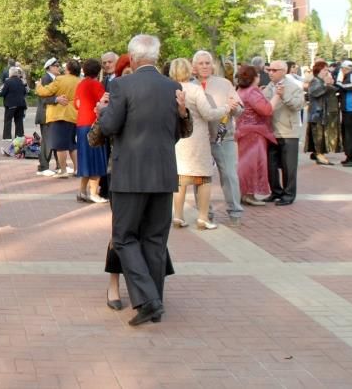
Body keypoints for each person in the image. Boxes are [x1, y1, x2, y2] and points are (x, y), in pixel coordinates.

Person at [95, 34, 188, 326]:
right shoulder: (173, 86)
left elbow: (110, 126)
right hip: (162, 174)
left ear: (132, 58)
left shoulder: (121, 85)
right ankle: (155, 302)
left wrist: (101, 114)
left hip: (130, 175)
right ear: (157, 57)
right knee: (155, 239)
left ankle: (148, 300)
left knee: (123, 237)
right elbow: (181, 130)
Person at [169, 58, 235, 230]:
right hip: (196, 137)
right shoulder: (195, 89)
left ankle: (178, 216)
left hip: (177, 139)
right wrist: (226, 108)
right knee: (204, 178)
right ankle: (203, 218)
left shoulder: (167, 88)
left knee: (180, 179)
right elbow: (209, 114)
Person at [192, 51, 244, 227]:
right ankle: (205, 213)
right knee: (201, 178)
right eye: (201, 63)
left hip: (223, 137)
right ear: (194, 67)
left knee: (229, 175)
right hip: (199, 140)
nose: (205, 66)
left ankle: (235, 211)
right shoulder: (190, 85)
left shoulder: (224, 83)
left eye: (208, 63)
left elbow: (239, 109)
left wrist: (235, 107)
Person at [263, 60, 305, 204]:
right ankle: (276, 191)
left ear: (283, 71)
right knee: (271, 165)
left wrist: (284, 96)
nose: (270, 73)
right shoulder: (268, 87)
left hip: (288, 132)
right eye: (269, 70)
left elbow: (298, 105)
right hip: (271, 132)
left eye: (274, 70)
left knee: (289, 166)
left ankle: (288, 194)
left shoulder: (293, 87)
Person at [235, 65, 275, 206]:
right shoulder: (252, 92)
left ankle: (244, 193)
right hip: (255, 132)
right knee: (253, 164)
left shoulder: (240, 91)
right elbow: (266, 110)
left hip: (243, 130)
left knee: (245, 162)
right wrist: (277, 97)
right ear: (254, 78)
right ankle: (249, 194)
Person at [36, 59, 81, 177]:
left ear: (69, 69)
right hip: (73, 115)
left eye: (60, 66)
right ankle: (76, 169)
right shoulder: (79, 81)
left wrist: (38, 86)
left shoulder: (60, 79)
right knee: (72, 144)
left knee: (60, 145)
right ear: (49, 67)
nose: (59, 67)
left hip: (59, 115)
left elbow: (44, 92)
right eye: (56, 65)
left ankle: (63, 170)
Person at [73, 59, 109, 203]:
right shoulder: (97, 85)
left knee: (85, 159)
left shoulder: (81, 84)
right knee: (96, 158)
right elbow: (104, 103)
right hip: (93, 124)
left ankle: (82, 191)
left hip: (81, 124)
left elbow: (76, 104)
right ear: (98, 71)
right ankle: (94, 193)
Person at [305, 60, 341, 165]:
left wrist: (330, 85)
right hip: (317, 113)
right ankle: (318, 154)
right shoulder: (315, 81)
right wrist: (326, 85)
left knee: (321, 135)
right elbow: (315, 92)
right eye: (325, 69)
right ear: (319, 70)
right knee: (318, 135)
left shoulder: (320, 81)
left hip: (322, 113)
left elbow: (333, 89)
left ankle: (319, 154)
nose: (327, 71)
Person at [0, 66, 28, 140]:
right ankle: (19, 136)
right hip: (21, 104)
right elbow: (25, 92)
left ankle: (7, 137)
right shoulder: (21, 81)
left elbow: (2, 93)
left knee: (8, 120)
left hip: (10, 105)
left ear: (10, 73)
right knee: (19, 121)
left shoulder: (8, 81)